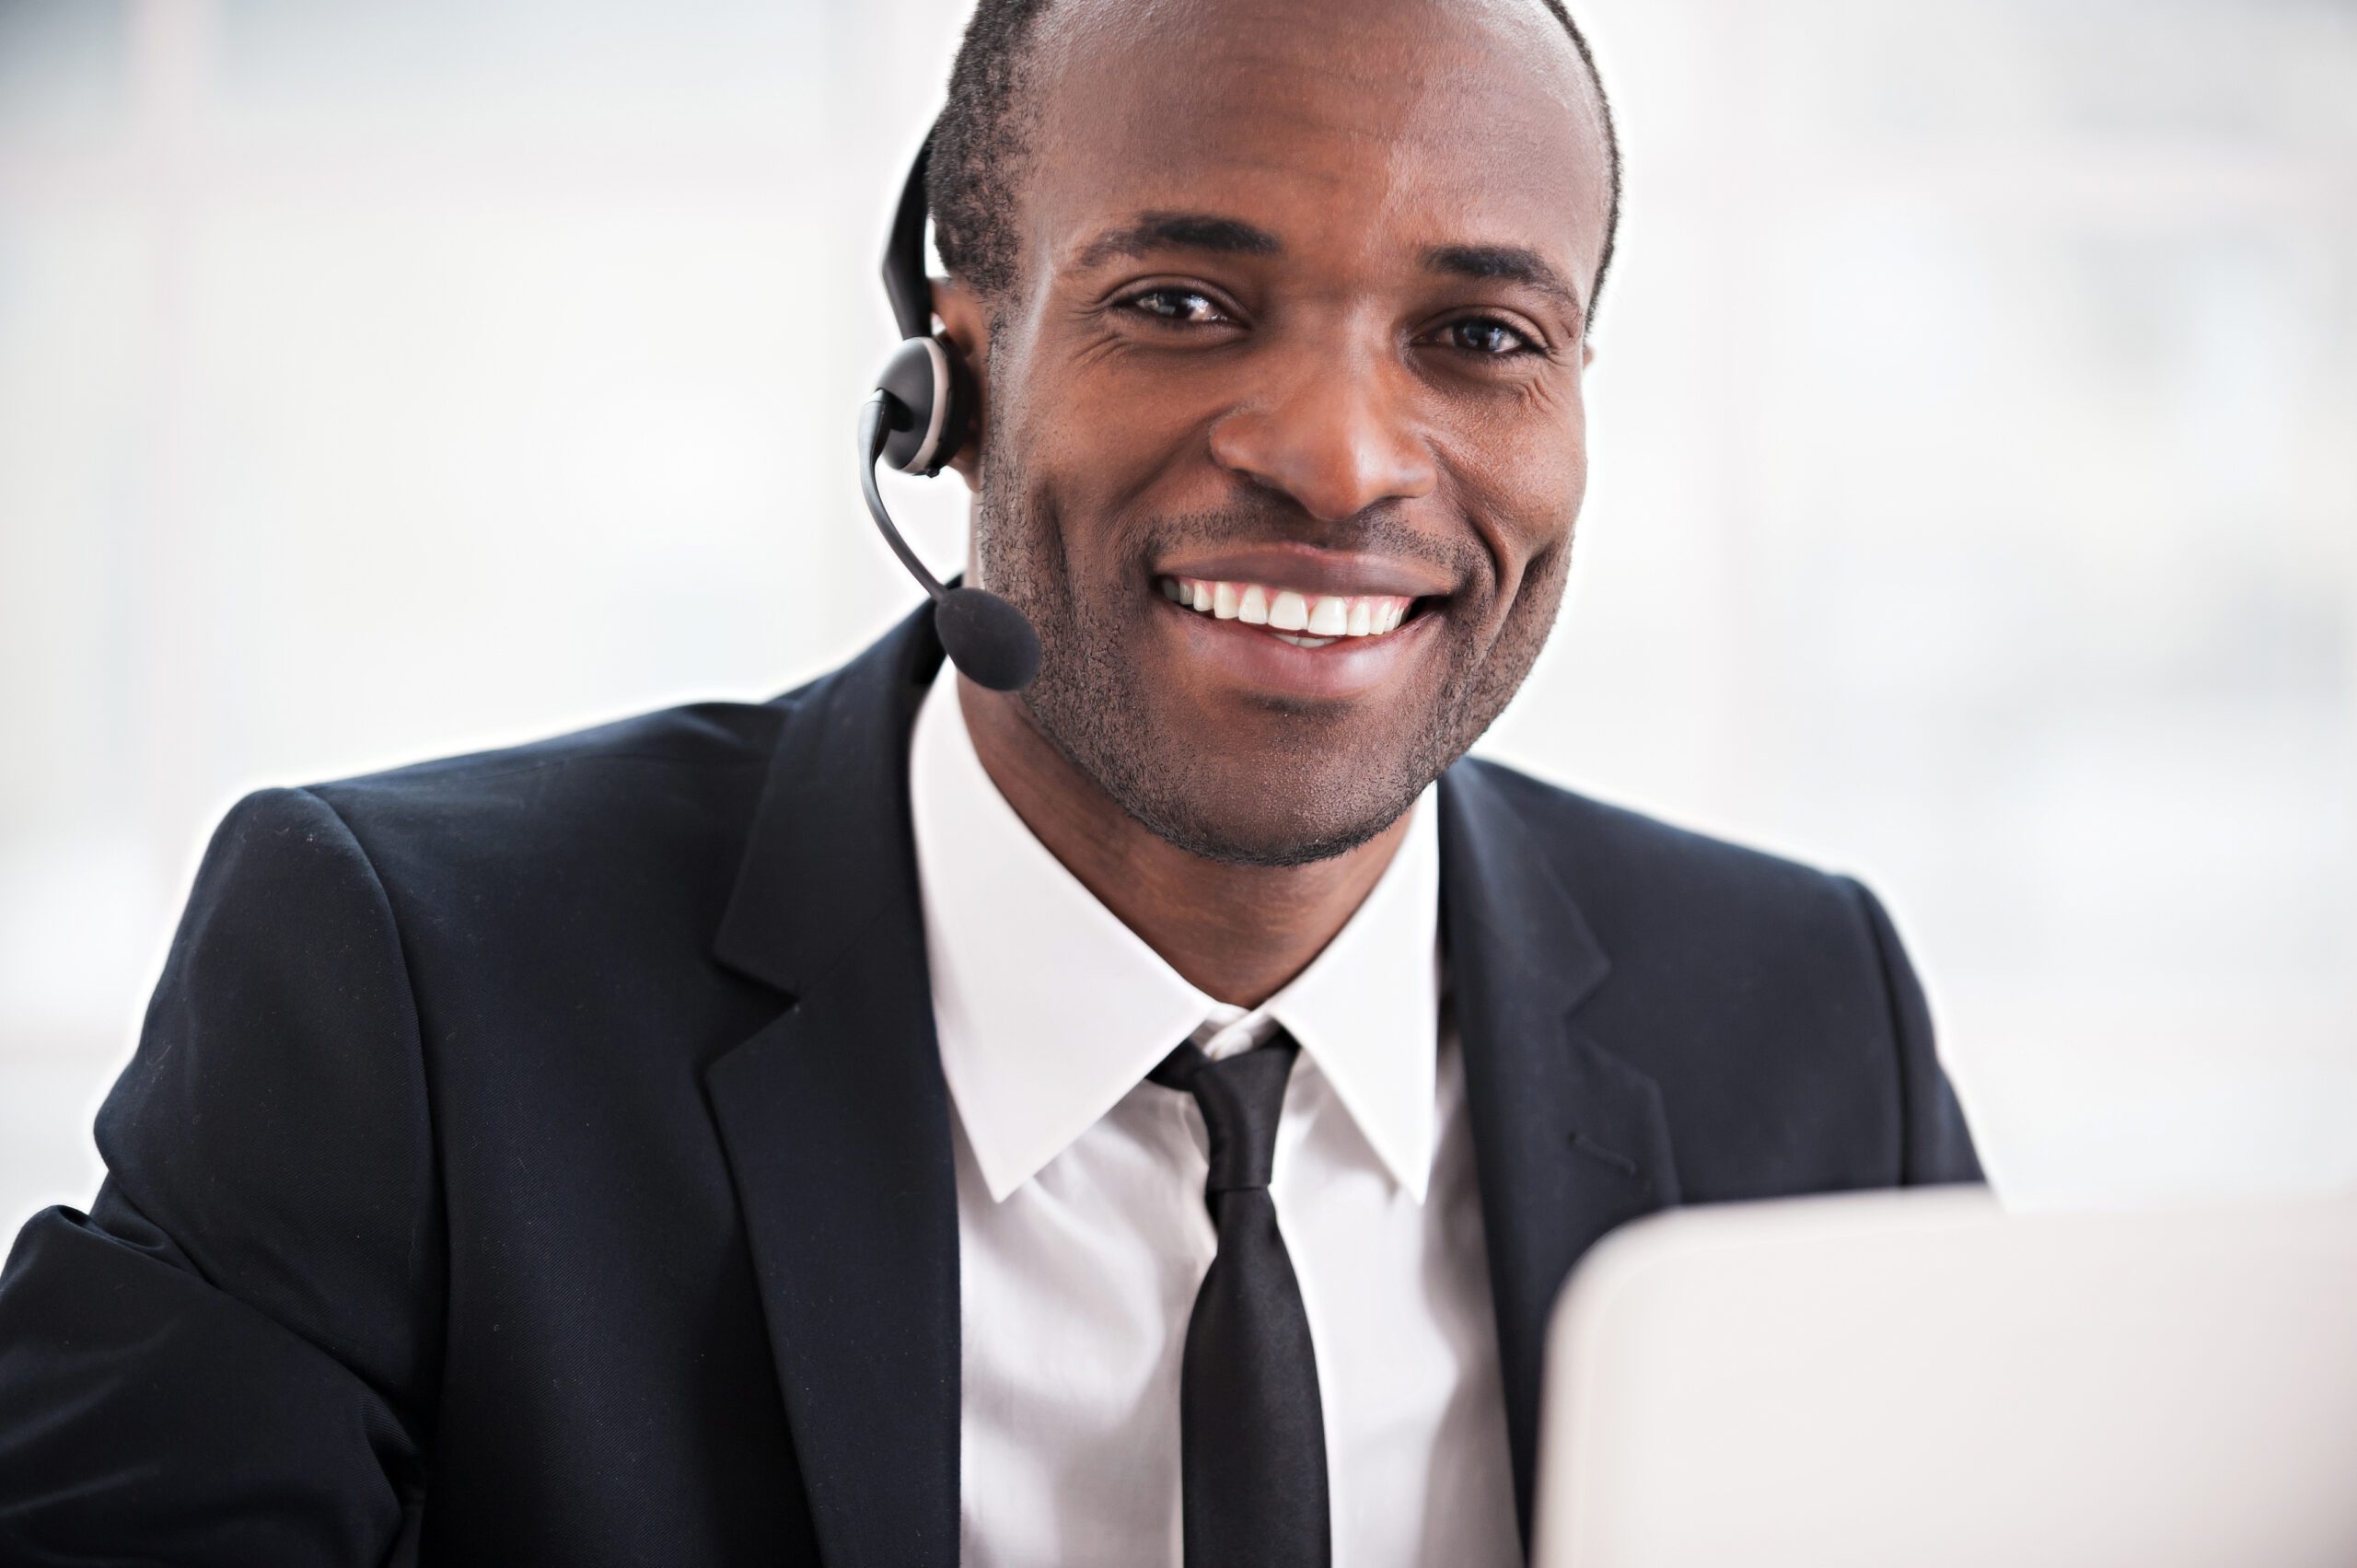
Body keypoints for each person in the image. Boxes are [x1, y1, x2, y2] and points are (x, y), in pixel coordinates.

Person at [0, 0, 1980, 1562]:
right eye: (1181, 304)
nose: (1342, 458)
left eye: (1475, 335)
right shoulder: (409, 985)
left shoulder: (1804, 1019)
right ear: (947, 374)